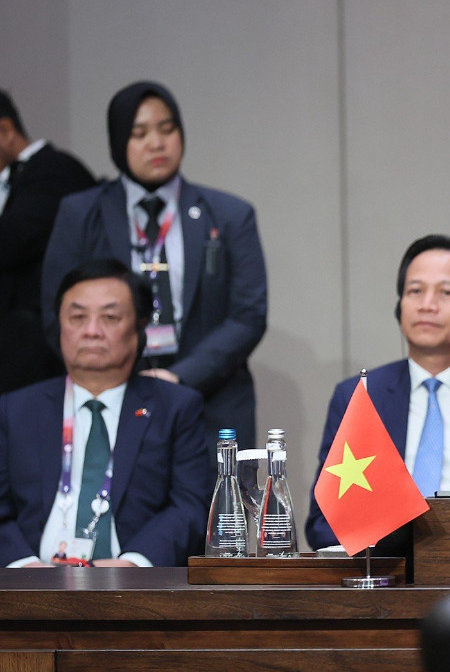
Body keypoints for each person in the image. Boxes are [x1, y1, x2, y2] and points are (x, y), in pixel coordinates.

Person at [41, 81, 268, 448]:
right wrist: (113, 376)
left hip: (210, 400)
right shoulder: (80, 214)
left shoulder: (229, 215)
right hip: (110, 399)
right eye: (139, 133)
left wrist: (181, 377)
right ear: (119, 141)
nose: (157, 144)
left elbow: (248, 315)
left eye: (167, 129)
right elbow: (57, 313)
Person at [0, 259, 213, 568]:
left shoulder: (176, 407)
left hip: (132, 583)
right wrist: (23, 567)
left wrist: (134, 564)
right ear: (59, 326)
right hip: (29, 580)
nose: (92, 331)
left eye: (110, 317)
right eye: (77, 317)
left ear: (140, 327)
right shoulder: (16, 409)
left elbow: (189, 504)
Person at [306, 235, 450, 549]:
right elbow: (324, 523)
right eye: (415, 291)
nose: (427, 305)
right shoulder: (361, 395)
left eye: (446, 292)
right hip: (382, 565)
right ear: (399, 306)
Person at [0, 89, 97, 394]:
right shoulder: (20, 177)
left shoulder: (55, 170)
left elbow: (14, 241)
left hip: (36, 350)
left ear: (5, 130)